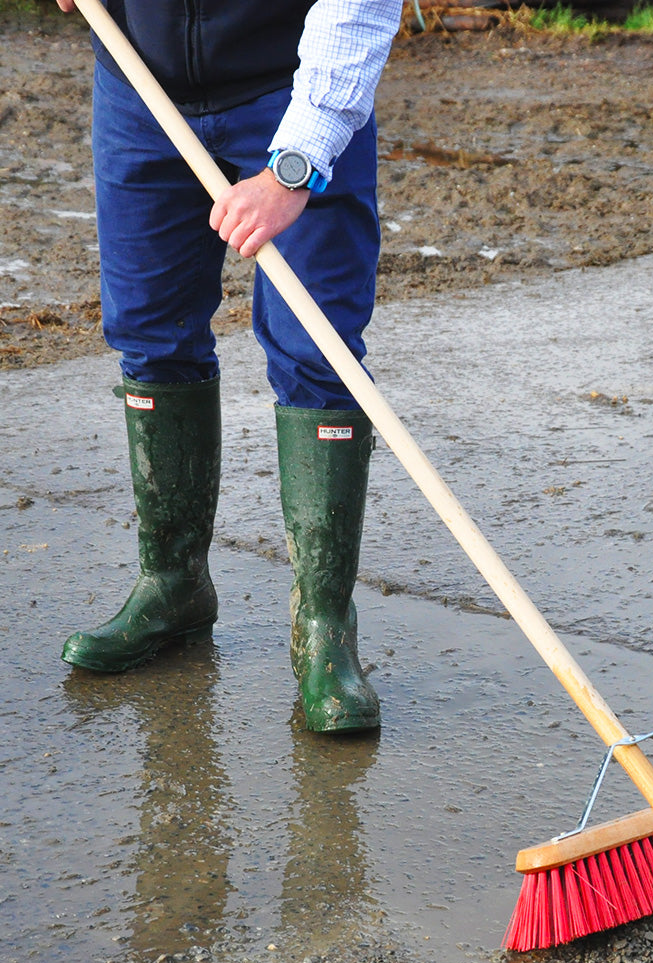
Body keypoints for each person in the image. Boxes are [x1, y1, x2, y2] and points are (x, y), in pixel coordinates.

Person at [54, 0, 403, 734]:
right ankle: (174, 585)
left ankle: (324, 629)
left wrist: (296, 163)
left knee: (319, 354)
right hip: (139, 82)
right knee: (150, 333)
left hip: (290, 84)